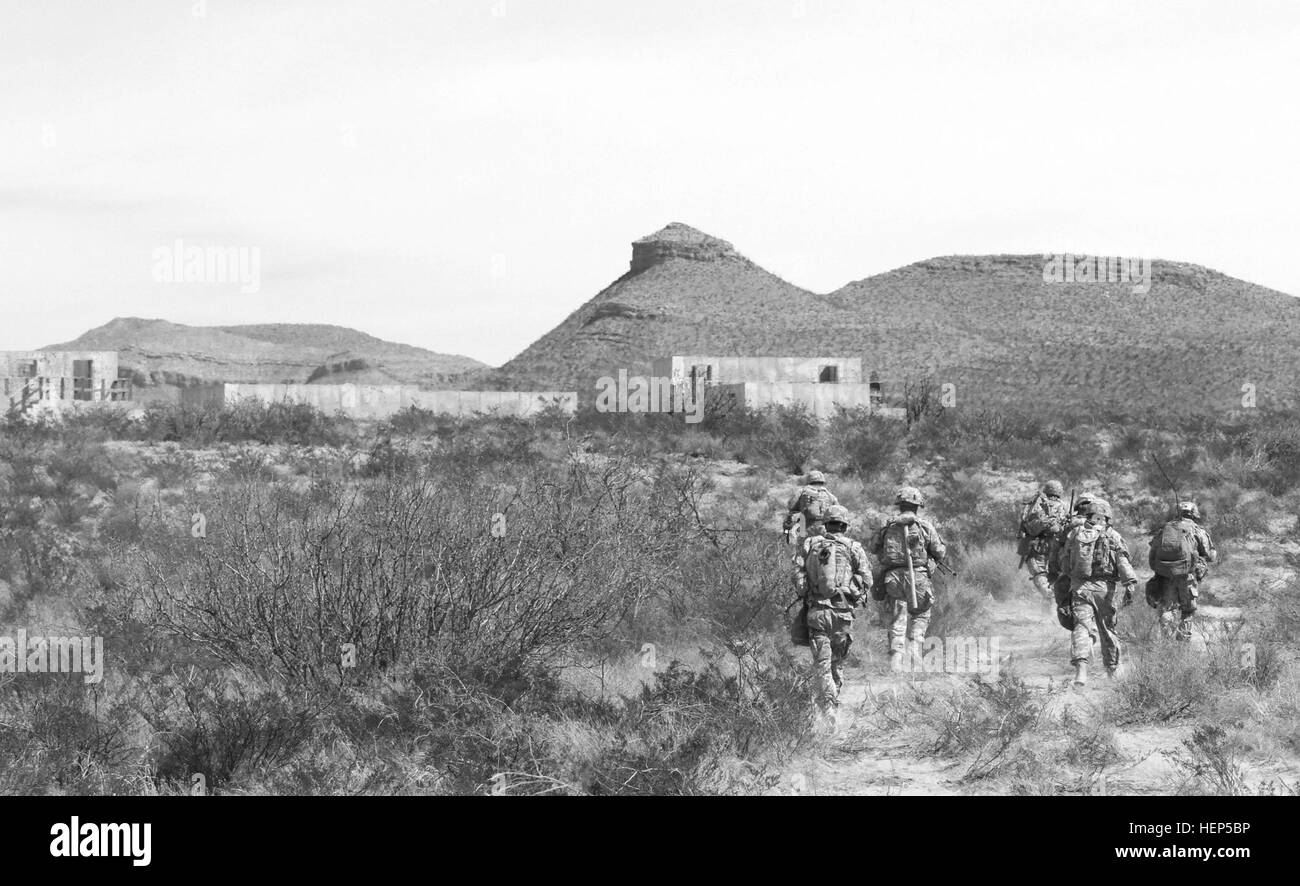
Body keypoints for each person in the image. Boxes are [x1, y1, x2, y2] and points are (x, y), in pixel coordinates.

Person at [792, 505, 870, 715]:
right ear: (844, 525)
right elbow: (867, 579)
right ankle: (833, 703)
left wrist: (807, 591)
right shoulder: (854, 547)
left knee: (822, 665)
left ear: (825, 524)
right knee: (837, 664)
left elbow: (798, 575)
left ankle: (828, 709)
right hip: (843, 614)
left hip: (817, 613)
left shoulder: (810, 544)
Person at [1059, 499, 1138, 685]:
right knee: (1107, 630)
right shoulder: (1113, 535)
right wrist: (1130, 583)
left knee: (1081, 627)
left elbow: (1064, 563)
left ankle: (1081, 672)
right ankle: (1112, 673)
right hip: (1105, 590)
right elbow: (1122, 561)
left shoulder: (1075, 533)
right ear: (1107, 517)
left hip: (1080, 588)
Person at [870, 486, 947, 673]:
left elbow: (873, 547)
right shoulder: (925, 526)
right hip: (918, 577)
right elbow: (940, 551)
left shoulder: (887, 525)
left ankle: (896, 662)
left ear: (899, 504)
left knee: (898, 618)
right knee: (921, 614)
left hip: (893, 578)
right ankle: (914, 651)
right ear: (918, 505)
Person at [1148, 501, 1217, 641]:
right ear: (1194, 514)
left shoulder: (1165, 530)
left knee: (1168, 609)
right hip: (1188, 577)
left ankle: (1166, 641)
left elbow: (1152, 556)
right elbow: (1210, 556)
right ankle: (1183, 644)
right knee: (1187, 611)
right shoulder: (1197, 530)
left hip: (1166, 577)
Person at [1019, 481, 1069, 613]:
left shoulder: (1036, 505)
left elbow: (1027, 525)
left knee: (1039, 573)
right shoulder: (1064, 506)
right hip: (1059, 547)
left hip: (1039, 545)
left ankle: (1047, 594)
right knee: (1053, 575)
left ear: (1046, 490)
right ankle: (1048, 610)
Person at [783, 470, 838, 541]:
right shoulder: (829, 495)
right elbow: (837, 510)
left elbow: (791, 506)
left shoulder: (802, 491)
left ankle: (787, 540)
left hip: (805, 526)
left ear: (809, 479)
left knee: (790, 517)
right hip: (825, 528)